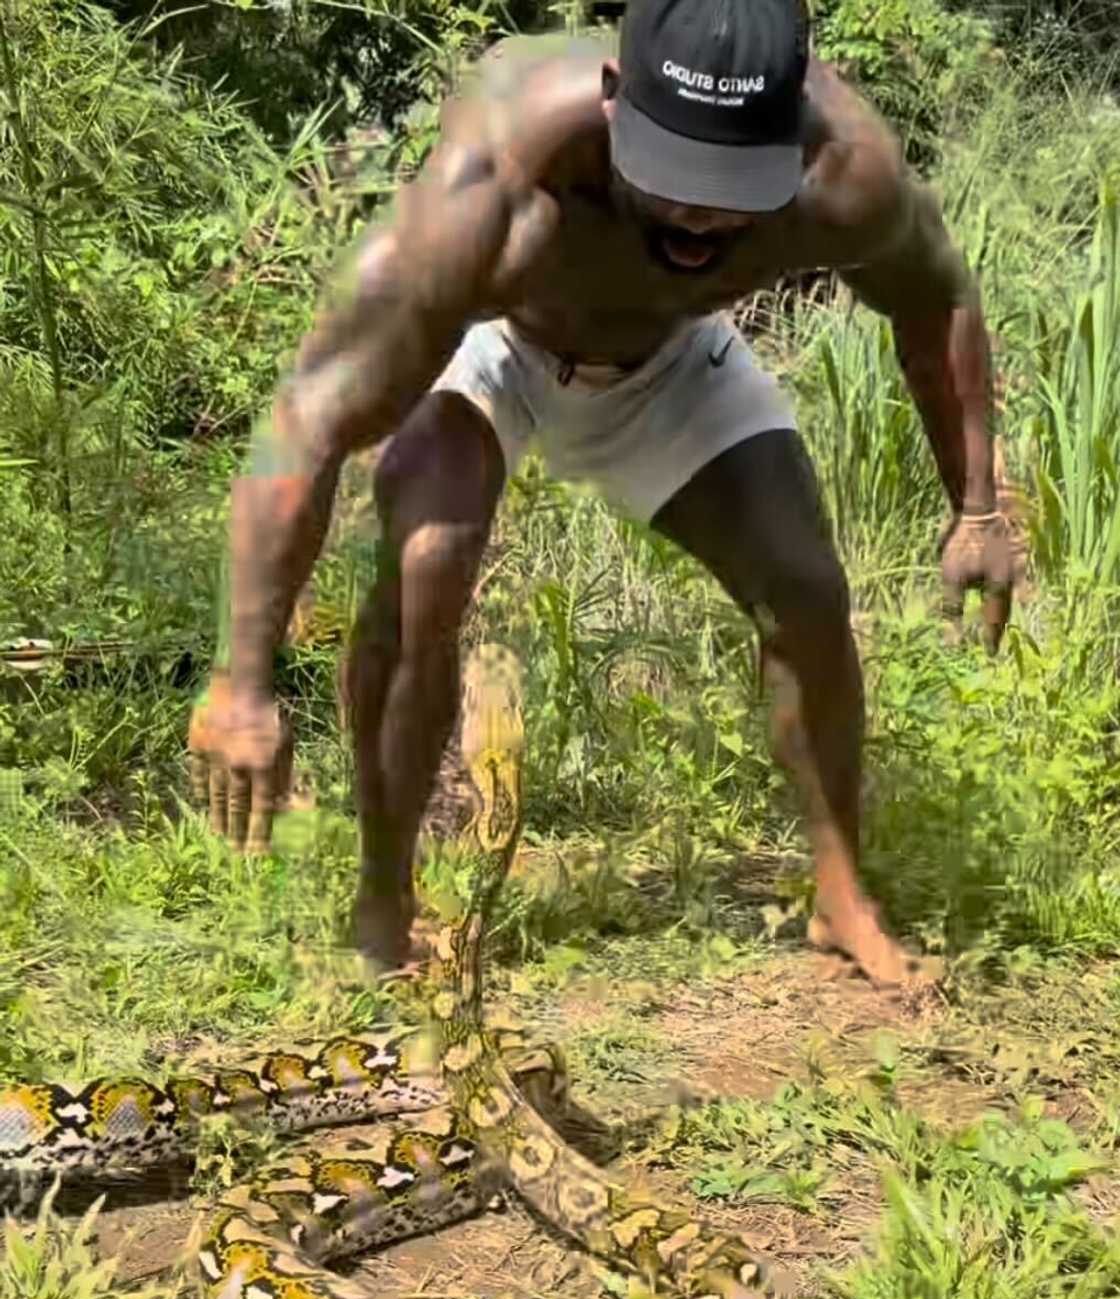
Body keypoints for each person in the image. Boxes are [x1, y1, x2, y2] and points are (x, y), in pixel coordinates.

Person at [187, 0, 1023, 987]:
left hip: (669, 353)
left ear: (791, 122)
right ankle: (384, 898)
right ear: (614, 100)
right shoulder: (493, 183)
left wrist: (976, 505)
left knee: (806, 590)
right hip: (496, 340)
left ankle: (841, 895)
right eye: (672, 176)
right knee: (425, 566)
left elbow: (937, 296)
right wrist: (242, 683)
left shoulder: (846, 171)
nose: (699, 214)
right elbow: (309, 419)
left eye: (730, 183)